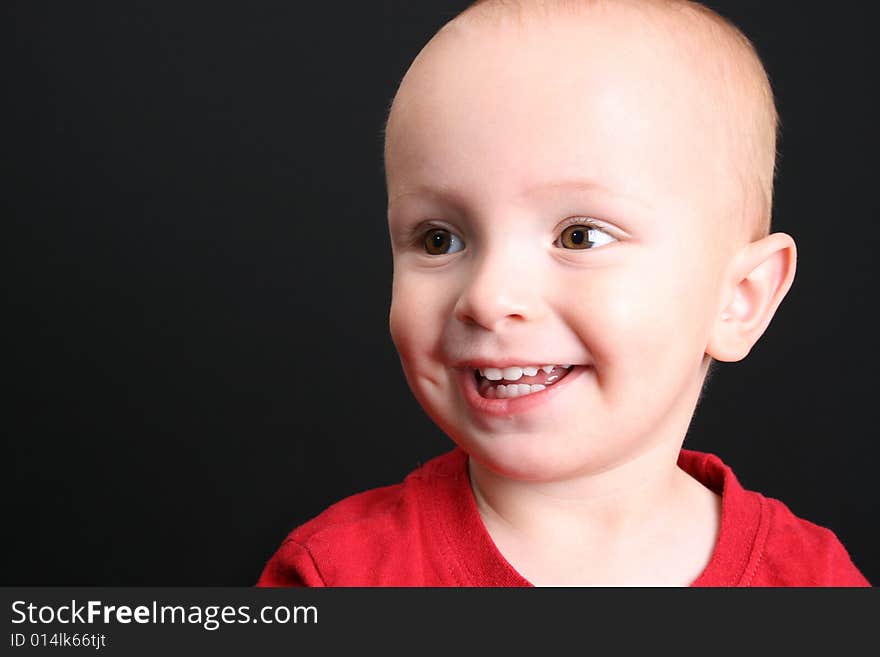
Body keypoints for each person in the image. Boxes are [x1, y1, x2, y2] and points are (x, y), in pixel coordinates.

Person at [257, 0, 869, 586]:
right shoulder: (336, 574)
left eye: (579, 235)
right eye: (440, 239)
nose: (489, 296)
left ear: (738, 298)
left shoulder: (814, 581)